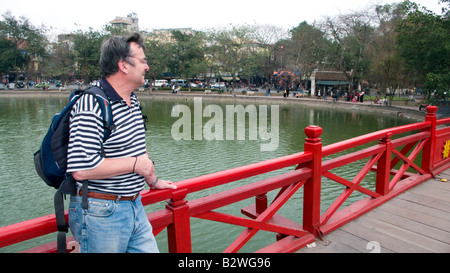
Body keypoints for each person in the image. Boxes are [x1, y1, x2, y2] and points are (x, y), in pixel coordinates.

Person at [67, 33, 177, 253]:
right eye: (143, 61)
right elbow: (81, 169)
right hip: (100, 211)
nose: (147, 67)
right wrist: (136, 165)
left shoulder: (131, 99)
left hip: (134, 204)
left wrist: (152, 180)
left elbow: (137, 148)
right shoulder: (92, 103)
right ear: (123, 66)